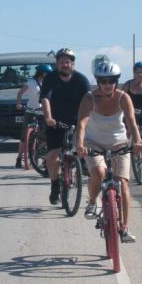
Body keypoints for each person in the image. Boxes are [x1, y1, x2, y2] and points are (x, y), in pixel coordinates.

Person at [76, 61, 142, 243]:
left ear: (117, 81)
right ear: (98, 81)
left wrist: (137, 140)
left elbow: (131, 121)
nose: (107, 84)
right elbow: (82, 123)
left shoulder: (123, 97)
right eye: (103, 80)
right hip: (94, 142)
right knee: (98, 172)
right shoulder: (89, 98)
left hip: (118, 142)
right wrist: (80, 144)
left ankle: (125, 228)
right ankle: (92, 202)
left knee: (122, 182)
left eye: (111, 80)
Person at [40, 48, 90, 204]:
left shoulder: (81, 80)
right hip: (55, 121)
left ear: (73, 64)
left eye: (67, 62)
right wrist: (48, 117)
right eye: (61, 62)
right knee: (52, 157)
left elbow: (89, 102)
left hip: (77, 121)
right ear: (57, 64)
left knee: (84, 148)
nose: (64, 65)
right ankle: (55, 186)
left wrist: (87, 119)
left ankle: (82, 164)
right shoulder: (50, 78)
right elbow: (45, 99)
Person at [15, 63, 53, 168]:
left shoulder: (49, 83)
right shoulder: (31, 82)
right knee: (23, 136)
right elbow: (20, 93)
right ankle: (19, 158)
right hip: (30, 110)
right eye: (47, 73)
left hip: (42, 111)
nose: (49, 75)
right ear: (42, 73)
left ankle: (44, 159)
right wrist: (18, 103)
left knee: (44, 136)